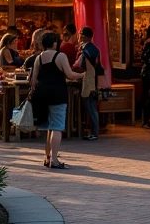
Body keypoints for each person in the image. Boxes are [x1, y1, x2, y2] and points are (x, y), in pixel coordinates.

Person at [30, 31, 84, 168]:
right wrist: (84, 74)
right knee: (57, 127)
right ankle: (54, 160)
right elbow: (70, 75)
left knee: (49, 128)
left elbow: (33, 80)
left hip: (41, 95)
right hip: (57, 94)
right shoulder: (60, 56)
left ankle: (47, 158)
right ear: (55, 43)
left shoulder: (39, 58)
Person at [74, 26, 104, 140]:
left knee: (91, 107)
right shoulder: (94, 49)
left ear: (85, 36)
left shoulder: (86, 50)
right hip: (93, 80)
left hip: (89, 80)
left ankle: (94, 132)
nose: (79, 35)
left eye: (81, 33)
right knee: (91, 107)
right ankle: (92, 131)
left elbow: (80, 66)